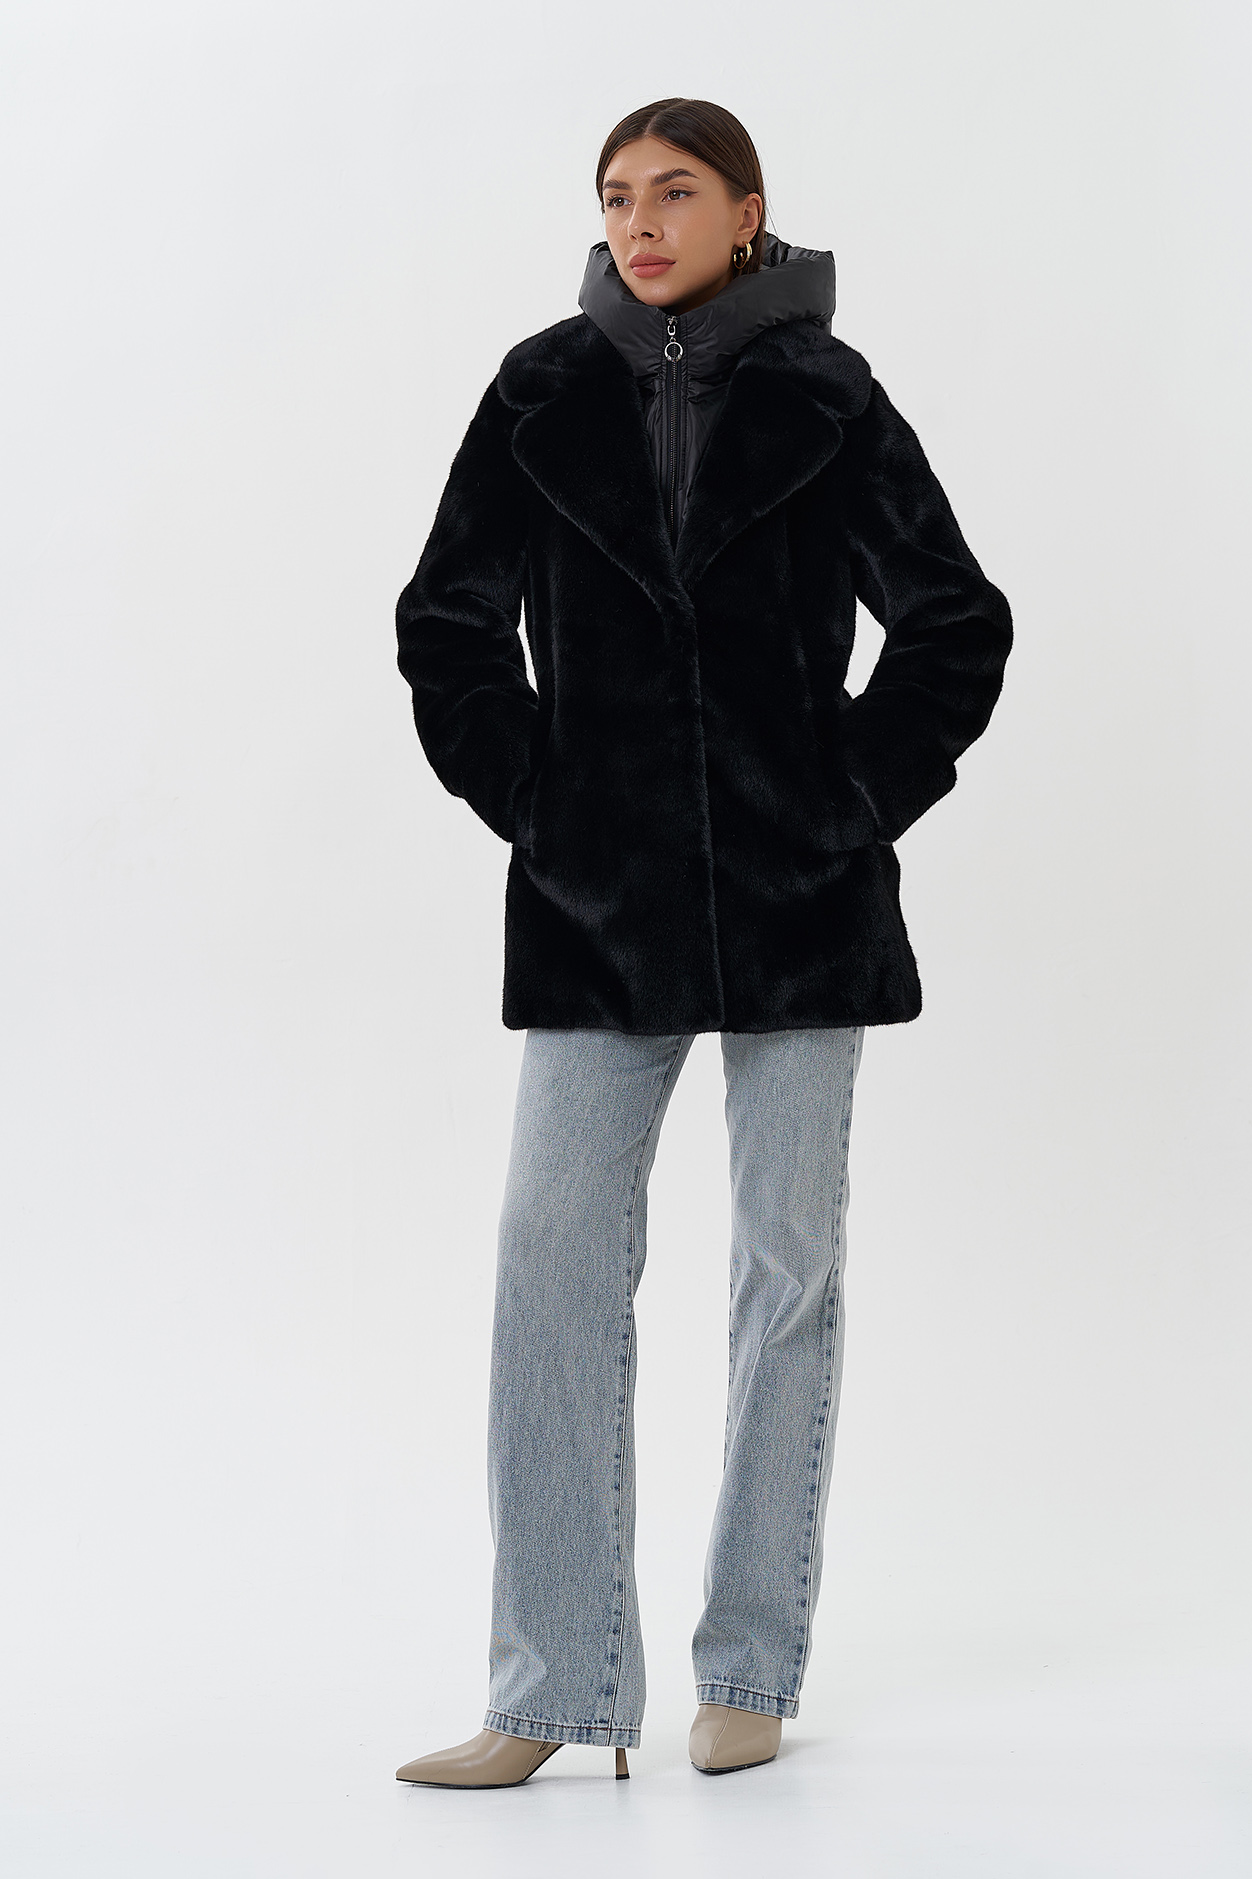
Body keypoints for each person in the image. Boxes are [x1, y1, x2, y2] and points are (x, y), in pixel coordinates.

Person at [392, 97, 1013, 1789]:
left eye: (676, 192)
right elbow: (446, 623)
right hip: (598, 902)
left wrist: (849, 798)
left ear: (749, 213)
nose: (641, 221)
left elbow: (955, 621)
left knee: (785, 1268)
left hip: (801, 903)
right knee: (549, 1253)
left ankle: (749, 1665)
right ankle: (549, 1690)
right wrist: (542, 800)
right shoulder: (539, 390)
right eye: (616, 195)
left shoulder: (829, 394)